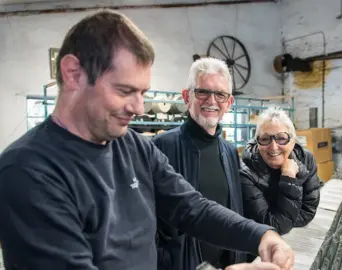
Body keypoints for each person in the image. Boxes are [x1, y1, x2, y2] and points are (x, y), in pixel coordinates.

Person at [0, 9, 294, 270]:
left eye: (143, 93)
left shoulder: (133, 147)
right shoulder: (27, 172)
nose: (139, 108)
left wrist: (261, 236)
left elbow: (192, 208)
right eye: (125, 91)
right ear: (73, 73)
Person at [152, 57, 246, 269]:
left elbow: (235, 212)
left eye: (220, 94)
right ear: (187, 97)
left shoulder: (230, 152)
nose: (212, 101)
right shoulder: (160, 148)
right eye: (202, 91)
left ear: (229, 103)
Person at [240, 107, 322, 235]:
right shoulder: (246, 170)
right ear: (257, 143)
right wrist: (289, 179)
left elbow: (307, 212)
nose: (273, 147)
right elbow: (274, 225)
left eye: (281, 138)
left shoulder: (306, 158)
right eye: (265, 139)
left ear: (293, 142)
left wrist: (283, 219)